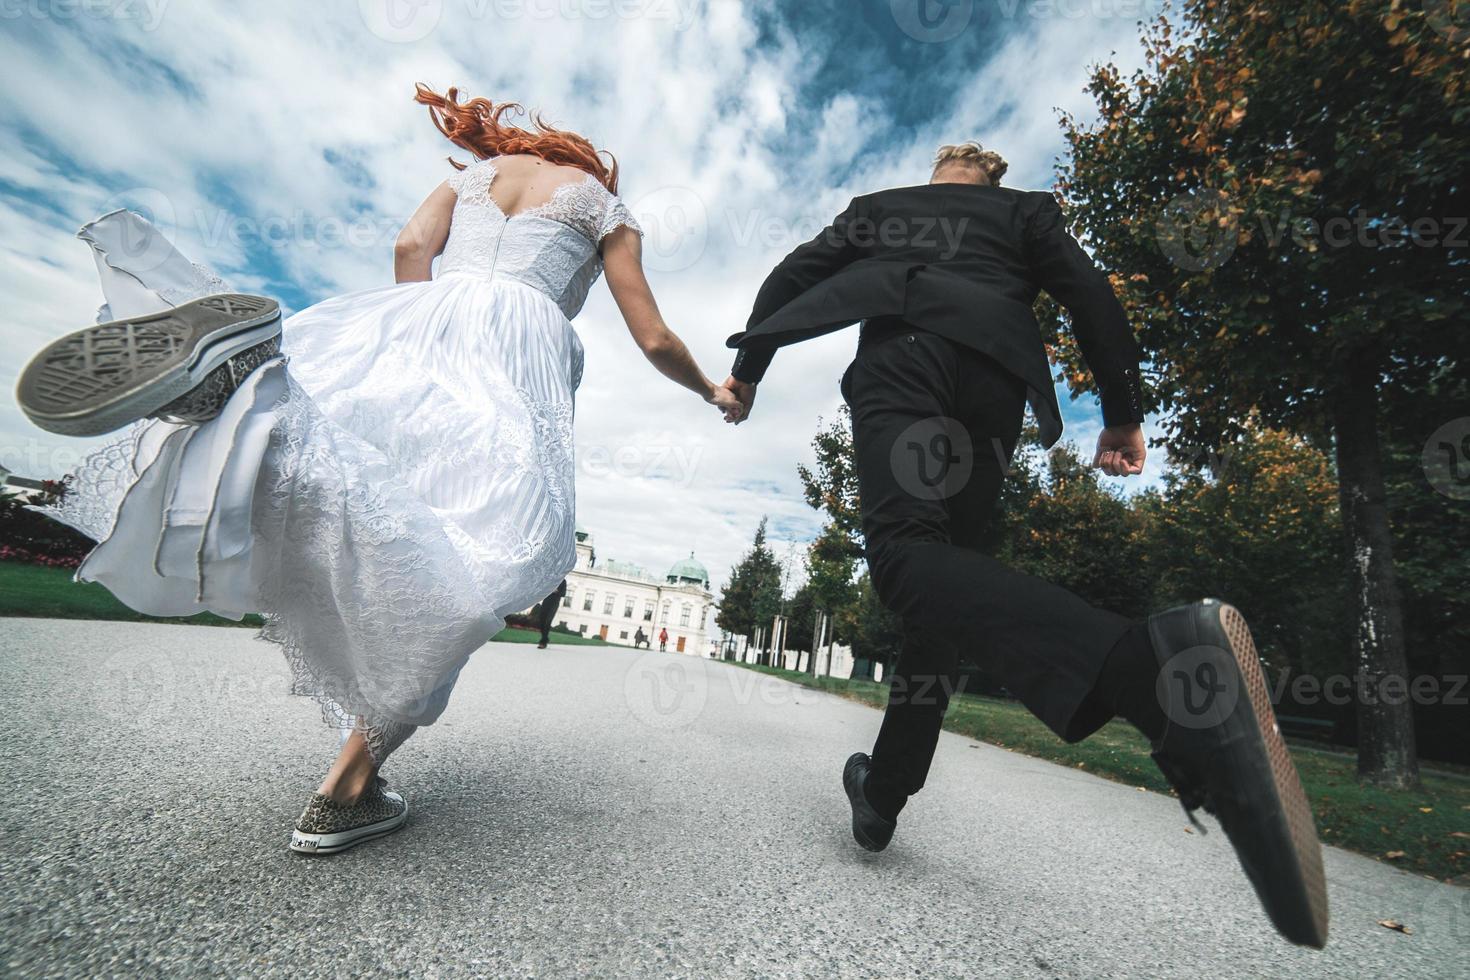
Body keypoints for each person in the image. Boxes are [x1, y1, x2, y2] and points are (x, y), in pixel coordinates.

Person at [16, 83, 743, 856]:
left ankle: (246, 393)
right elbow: (655, 336)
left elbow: (408, 249)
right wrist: (712, 389)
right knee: (475, 568)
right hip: (517, 358)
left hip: (420, 325)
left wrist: (421, 345)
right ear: (590, 164)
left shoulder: (471, 179)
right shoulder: (603, 206)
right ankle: (347, 789)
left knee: (351, 469)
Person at [718, 142, 1328, 948]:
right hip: (995, 386)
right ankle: (886, 790)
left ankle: (1148, 671)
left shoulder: (884, 208)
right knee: (950, 587)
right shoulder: (1024, 212)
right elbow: (1090, 291)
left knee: (906, 560)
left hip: (906, 355)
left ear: (941, 176)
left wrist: (750, 369)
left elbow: (793, 275)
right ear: (992, 181)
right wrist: (1120, 408)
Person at [535, 579, 568, 649]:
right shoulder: (551, 579)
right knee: (541, 620)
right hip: (546, 601)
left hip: (554, 603)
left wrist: (556, 591)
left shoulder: (563, 581)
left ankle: (543, 642)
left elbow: (563, 594)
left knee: (548, 621)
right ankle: (546, 638)